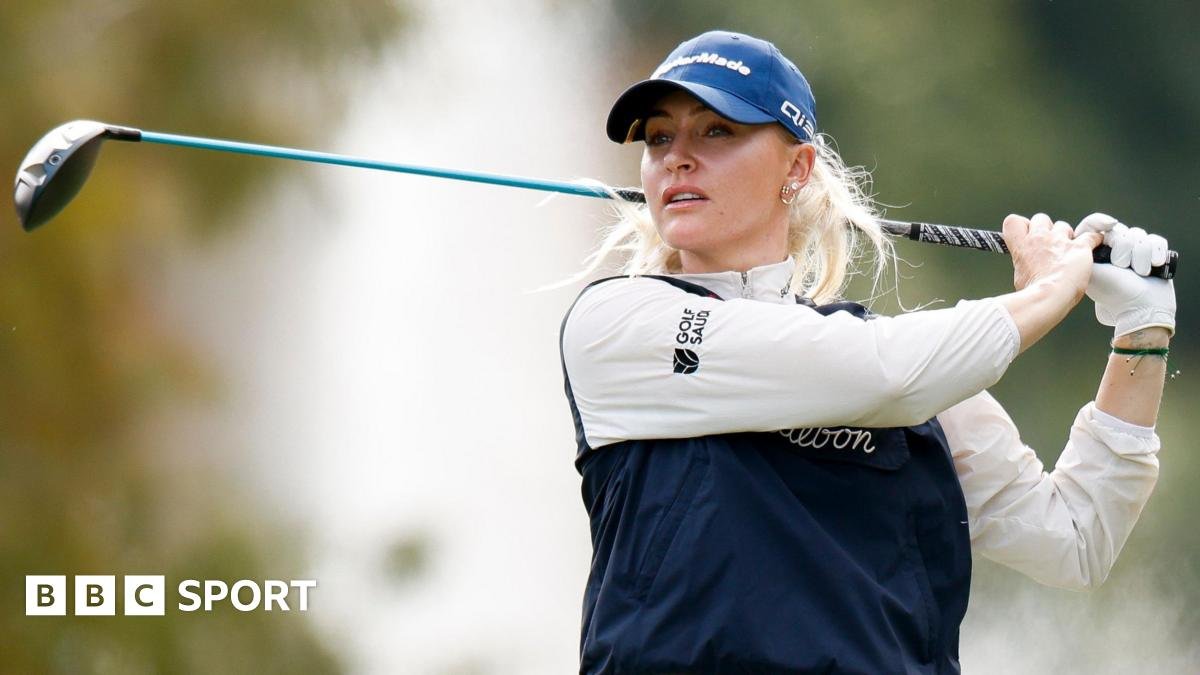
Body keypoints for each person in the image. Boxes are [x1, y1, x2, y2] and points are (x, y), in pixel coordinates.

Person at [559, 30, 1175, 674]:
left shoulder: (898, 366)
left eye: (716, 131)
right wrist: (1052, 289)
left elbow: (1072, 539)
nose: (678, 159)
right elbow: (887, 374)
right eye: (659, 138)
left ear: (797, 169)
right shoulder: (620, 324)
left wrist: (1142, 331)